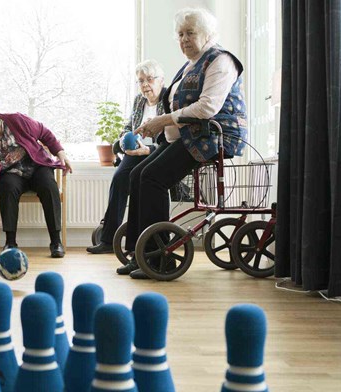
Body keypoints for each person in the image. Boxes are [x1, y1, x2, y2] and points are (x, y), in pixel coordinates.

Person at [117, 7, 247, 279]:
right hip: (188, 137)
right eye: (180, 34)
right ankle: (139, 254)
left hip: (211, 137)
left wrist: (162, 121)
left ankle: (159, 260)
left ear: (207, 34)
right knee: (137, 173)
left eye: (190, 33)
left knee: (152, 177)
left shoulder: (220, 61)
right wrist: (155, 126)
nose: (184, 39)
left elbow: (207, 107)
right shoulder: (190, 64)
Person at [0, 92, 72, 258]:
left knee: (48, 184)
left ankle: (56, 241)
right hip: (12, 174)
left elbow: (44, 133)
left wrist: (60, 153)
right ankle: (10, 242)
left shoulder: (17, 120)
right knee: (6, 186)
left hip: (37, 166)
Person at [86, 60, 166, 254]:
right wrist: (123, 141)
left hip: (158, 152)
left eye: (149, 79)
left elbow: (170, 139)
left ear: (161, 81)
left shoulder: (169, 100)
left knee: (140, 180)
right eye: (141, 81)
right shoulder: (139, 100)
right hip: (135, 151)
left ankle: (141, 241)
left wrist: (148, 150)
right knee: (119, 178)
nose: (145, 85)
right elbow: (129, 127)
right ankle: (107, 239)